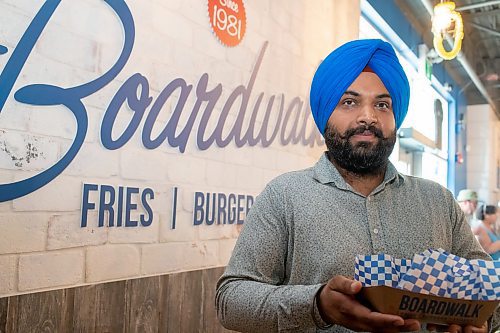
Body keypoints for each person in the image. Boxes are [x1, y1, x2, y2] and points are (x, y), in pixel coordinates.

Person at [215, 39, 493, 333]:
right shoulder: (284, 196)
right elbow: (230, 302)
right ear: (326, 115)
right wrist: (317, 304)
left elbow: (489, 291)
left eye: (382, 105)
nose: (368, 117)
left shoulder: (438, 201)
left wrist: (482, 323)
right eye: (349, 101)